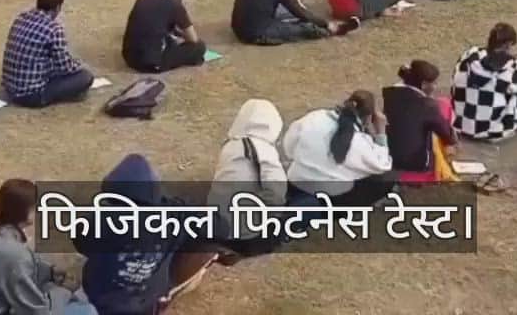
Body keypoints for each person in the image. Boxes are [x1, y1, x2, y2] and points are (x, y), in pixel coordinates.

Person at [76, 154, 217, 315]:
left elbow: (81, 244)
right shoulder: (173, 216)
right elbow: (218, 225)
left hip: (98, 299)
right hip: (146, 303)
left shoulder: (101, 221)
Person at [0, 178, 94, 315]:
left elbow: (15, 269)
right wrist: (65, 292)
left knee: (48, 286)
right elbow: (38, 312)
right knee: (85, 310)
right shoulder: (14, 253)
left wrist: (49, 272)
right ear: (26, 212)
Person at [283, 90, 394, 205]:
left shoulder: (315, 116)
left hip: (295, 186)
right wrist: (381, 132)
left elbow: (289, 148)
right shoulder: (359, 141)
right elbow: (383, 164)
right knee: (387, 178)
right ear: (370, 118)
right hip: (330, 200)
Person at [207, 99, 288, 259]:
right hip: (246, 236)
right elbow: (277, 195)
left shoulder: (230, 146)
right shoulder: (266, 153)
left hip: (216, 226)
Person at [1, 0, 96, 108]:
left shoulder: (21, 17)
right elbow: (66, 67)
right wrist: (79, 65)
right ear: (58, 7)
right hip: (32, 95)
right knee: (85, 77)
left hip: (10, 87)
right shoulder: (54, 29)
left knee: (53, 63)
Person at [122, 0, 207, 73]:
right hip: (151, 63)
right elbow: (193, 39)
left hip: (129, 58)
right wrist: (183, 37)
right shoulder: (176, 5)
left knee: (168, 40)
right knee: (200, 47)